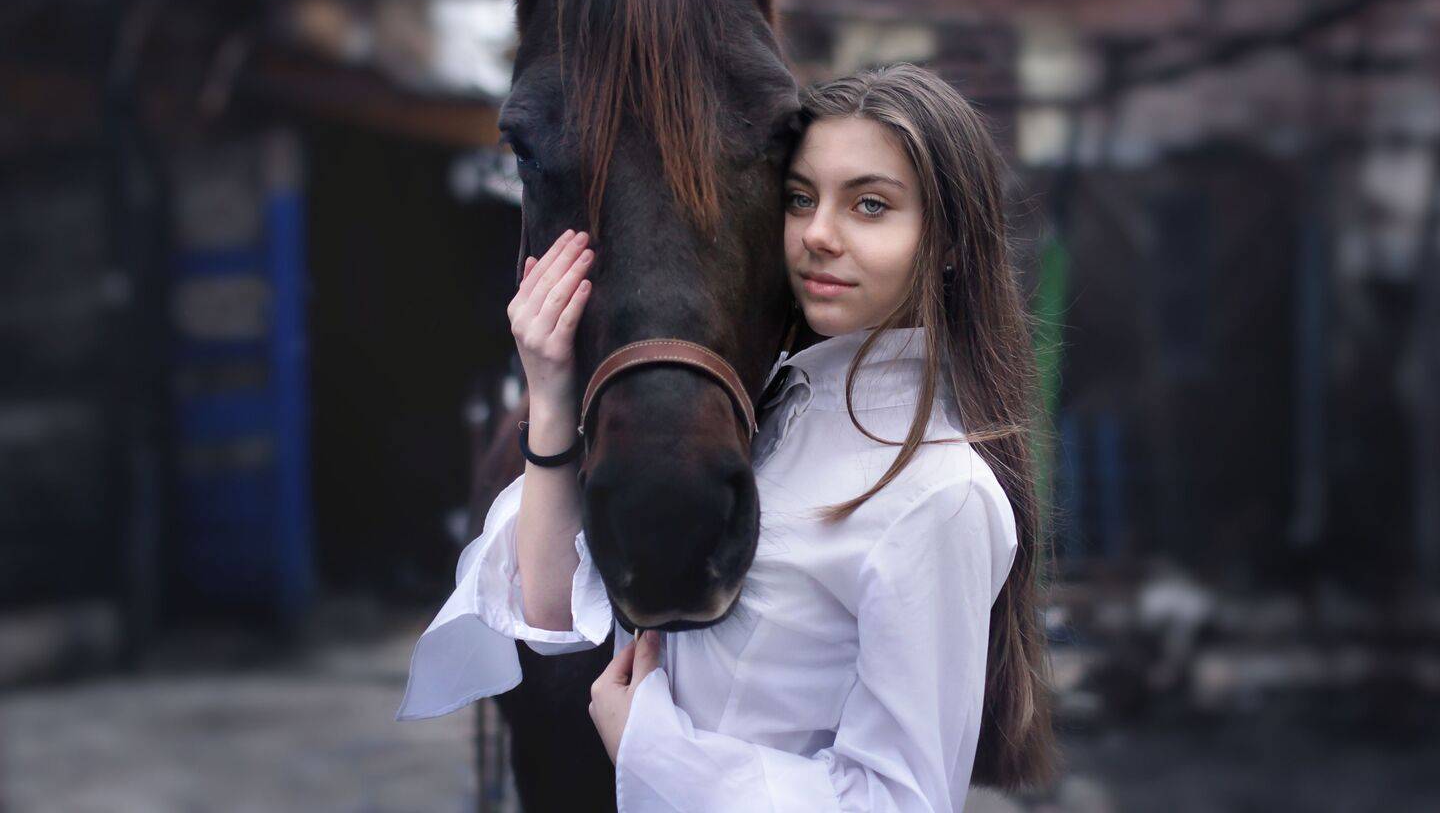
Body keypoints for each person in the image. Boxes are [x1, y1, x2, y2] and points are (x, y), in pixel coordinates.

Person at [399, 63, 1057, 809]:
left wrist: (654, 750)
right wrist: (551, 395)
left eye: (870, 205)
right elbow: (555, 616)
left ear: (949, 241)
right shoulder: (760, 416)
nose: (818, 235)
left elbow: (902, 801)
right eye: (800, 198)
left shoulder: (938, 495)